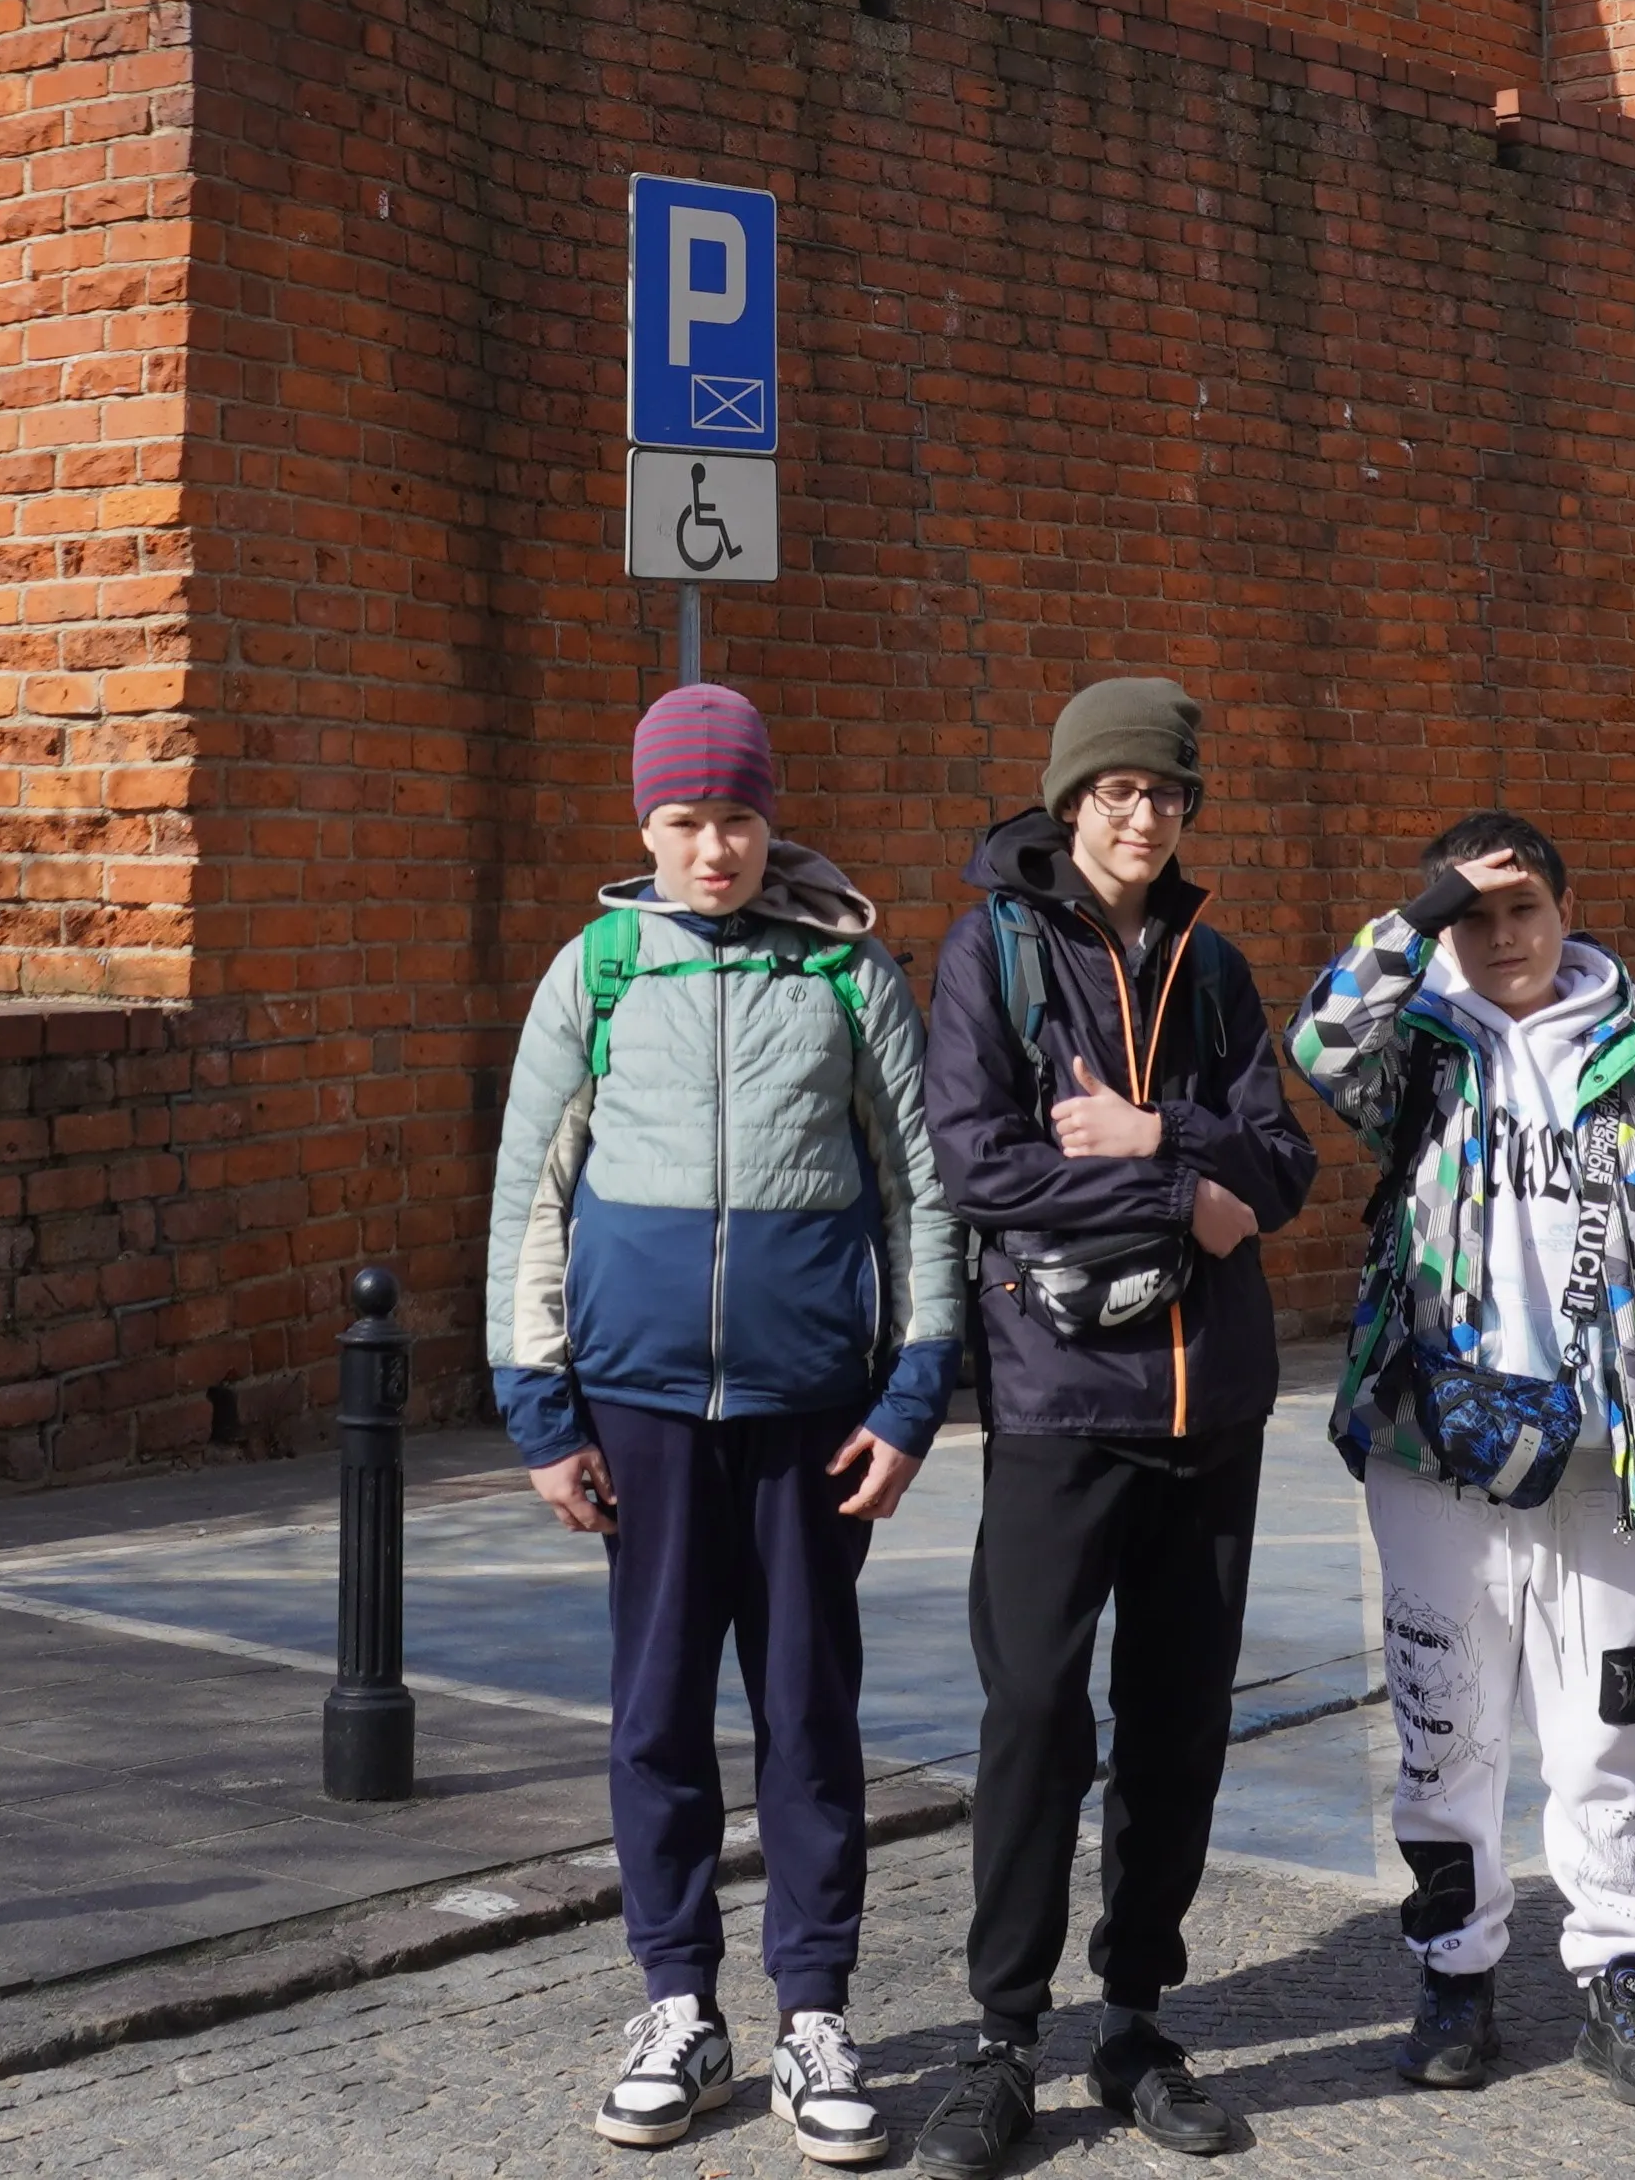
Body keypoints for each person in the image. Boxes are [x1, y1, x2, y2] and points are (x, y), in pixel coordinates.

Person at [487, 684, 958, 2167]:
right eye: (687, 821)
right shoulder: (601, 971)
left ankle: (815, 2009)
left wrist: (912, 1390)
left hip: (813, 1413)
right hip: (638, 1409)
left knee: (811, 1714)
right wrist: (537, 1402)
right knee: (656, 1713)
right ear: (646, 825)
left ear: (771, 818)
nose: (715, 848)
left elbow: (920, 1193)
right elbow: (529, 1192)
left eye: (738, 818)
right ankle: (677, 2000)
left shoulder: (846, 971)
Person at [915, 676, 1319, 2173]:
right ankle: (1000, 2034)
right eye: (1117, 789)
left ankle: (1137, 2015)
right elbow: (983, 1165)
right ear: (1069, 797)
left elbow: (1280, 1169)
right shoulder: (994, 952)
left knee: (1177, 1723)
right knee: (1032, 1710)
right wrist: (1179, 1194)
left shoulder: (1212, 968)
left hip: (1211, 1398)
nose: (1142, 814)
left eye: (1166, 792)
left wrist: (1160, 1137)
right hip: (1058, 1395)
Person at [1285, 811, 1635, 2112]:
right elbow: (1318, 1037)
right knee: (1447, 1729)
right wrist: (1419, 908)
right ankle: (1455, 1974)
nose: (1503, 935)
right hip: (1438, 1447)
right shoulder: (1419, 1048)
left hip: (1609, 1460)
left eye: (1523, 906)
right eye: (1474, 914)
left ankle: (1620, 1978)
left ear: (1565, 908)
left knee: (1607, 1722)